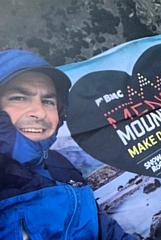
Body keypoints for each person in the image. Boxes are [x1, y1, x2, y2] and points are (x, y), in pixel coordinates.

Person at [0, 49, 139, 240]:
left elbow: (107, 233)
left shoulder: (60, 166)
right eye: (19, 98)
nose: (40, 112)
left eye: (48, 101)